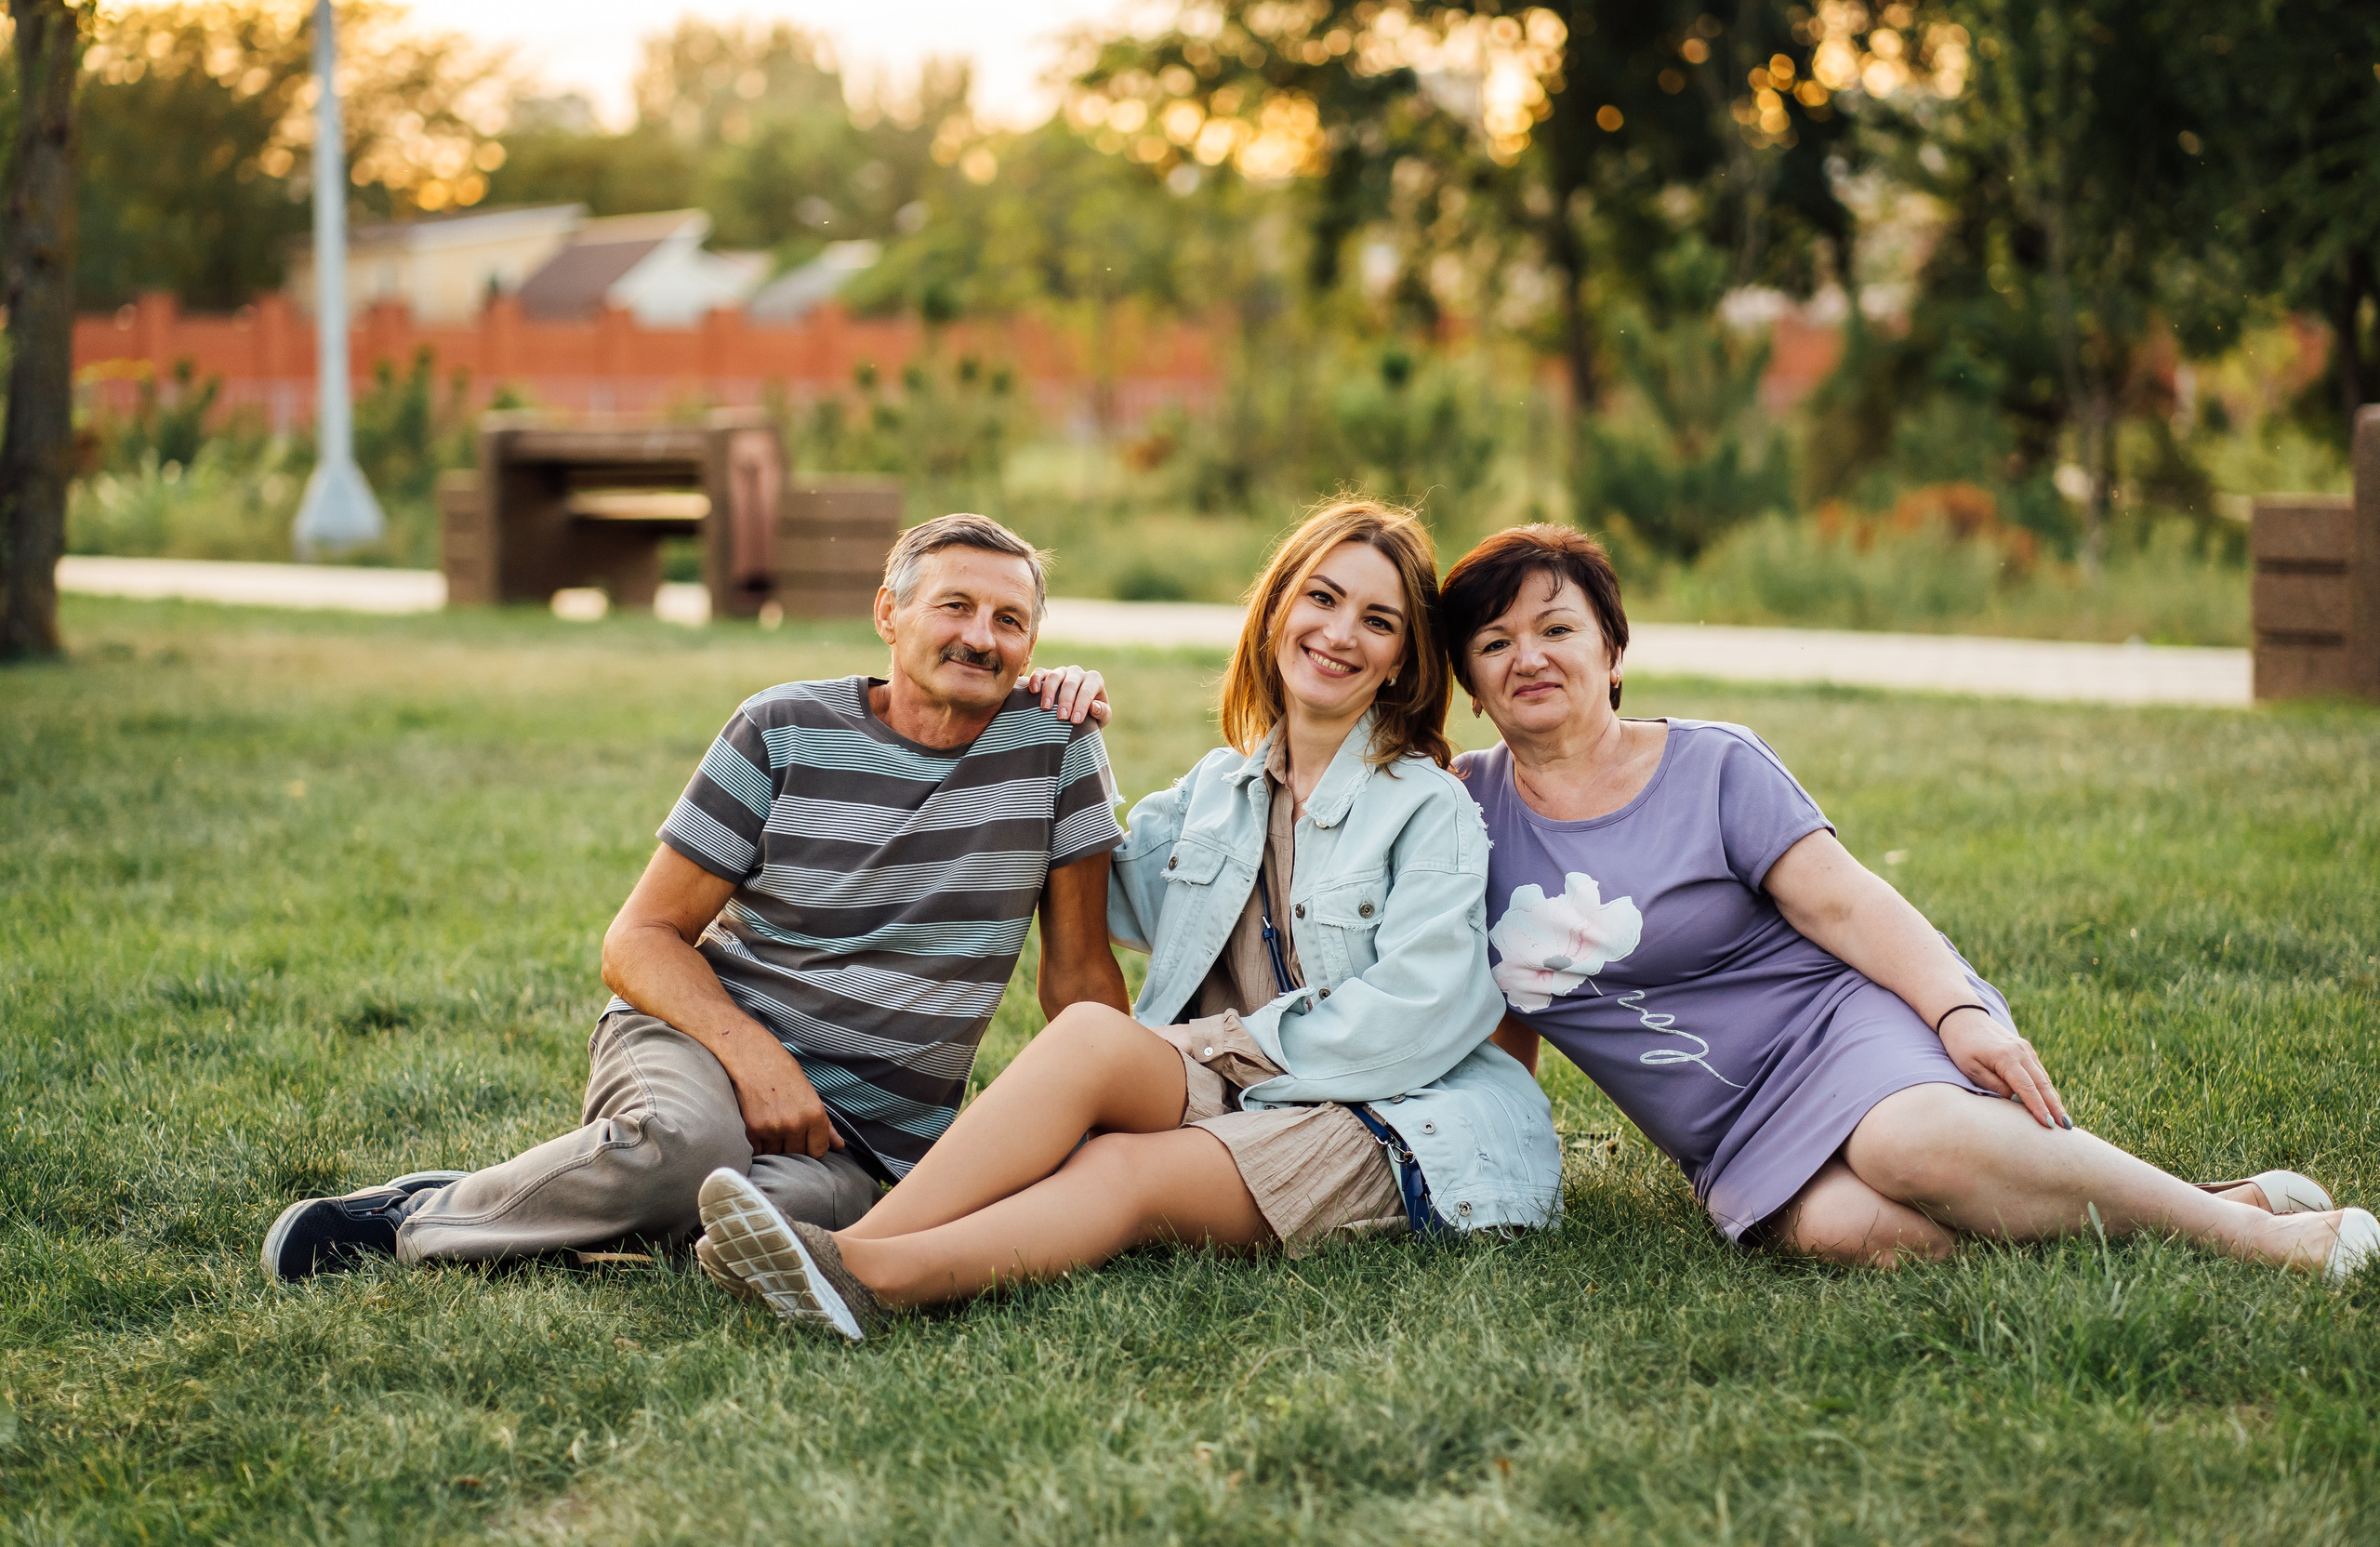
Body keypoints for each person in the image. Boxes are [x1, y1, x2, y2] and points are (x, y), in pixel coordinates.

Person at [691, 500, 1563, 1339]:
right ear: (1276, 614)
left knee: (1119, 1168)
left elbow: (1419, 1018)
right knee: (1088, 1040)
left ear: (1405, 659)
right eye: (1323, 600)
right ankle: (848, 1250)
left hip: (1391, 1120)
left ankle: (869, 1276)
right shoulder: (1218, 791)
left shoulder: (1428, 809)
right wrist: (1042, 718)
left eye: (1378, 621)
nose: (1339, 635)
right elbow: (1083, 872)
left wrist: (1217, 1046)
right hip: (1239, 1086)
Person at [1440, 522, 2377, 1283]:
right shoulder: (1460, 818)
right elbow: (1501, 1024)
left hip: (1839, 1032)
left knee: (1910, 1146)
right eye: (1494, 643)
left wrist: (1959, 1013)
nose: (1528, 656)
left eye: (1556, 629)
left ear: (1610, 649)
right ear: (1473, 691)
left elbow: (1850, 905)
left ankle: (2268, 1243)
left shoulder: (1712, 763)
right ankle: (2209, 1202)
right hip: (1729, 1133)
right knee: (1856, 1233)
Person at [262, 513, 1130, 1281]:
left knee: (756, 1217)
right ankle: (415, 1221)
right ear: (888, 616)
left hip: (862, 1141)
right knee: (687, 1152)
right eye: (956, 606)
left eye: (1009, 620)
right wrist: (757, 1058)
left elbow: (1082, 976)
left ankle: (571, 1203)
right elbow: (638, 938)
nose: (981, 638)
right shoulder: (781, 729)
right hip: (702, 1040)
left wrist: (1112, 1145)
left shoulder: (1056, 750)